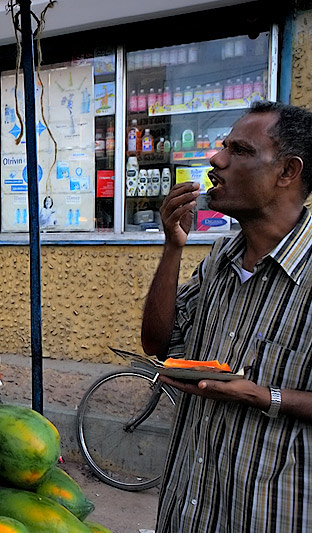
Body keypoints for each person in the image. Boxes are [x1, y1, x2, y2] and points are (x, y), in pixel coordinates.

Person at [141, 101, 312, 532]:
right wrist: (173, 247)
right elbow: (158, 344)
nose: (216, 161)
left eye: (240, 151)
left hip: (268, 511)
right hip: (190, 506)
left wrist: (264, 396)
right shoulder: (220, 258)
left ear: (287, 172)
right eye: (222, 147)